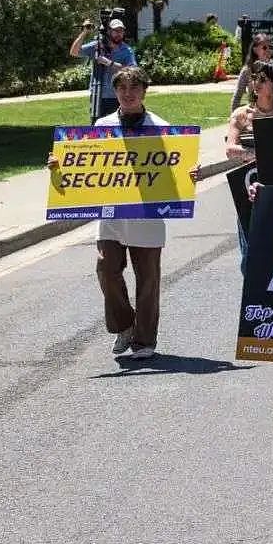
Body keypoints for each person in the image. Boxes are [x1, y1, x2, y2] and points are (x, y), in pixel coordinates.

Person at [48, 68, 198, 360]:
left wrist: (191, 173)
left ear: (144, 91)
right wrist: (59, 163)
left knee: (148, 280)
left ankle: (144, 341)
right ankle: (124, 325)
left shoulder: (162, 128)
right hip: (112, 216)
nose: (128, 93)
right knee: (105, 268)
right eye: (122, 88)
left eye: (134, 87)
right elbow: (83, 165)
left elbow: (178, 168)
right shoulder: (102, 126)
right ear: (115, 92)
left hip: (147, 216)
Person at [224, 60, 273, 275]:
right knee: (250, 254)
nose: (255, 83)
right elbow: (230, 148)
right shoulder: (241, 115)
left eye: (262, 79)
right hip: (248, 191)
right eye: (254, 77)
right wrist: (257, 156)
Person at [71, 16, 138, 124]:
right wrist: (84, 33)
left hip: (117, 95)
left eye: (121, 31)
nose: (118, 33)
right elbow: (74, 52)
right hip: (98, 94)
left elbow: (133, 70)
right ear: (109, 31)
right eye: (115, 31)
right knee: (97, 125)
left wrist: (109, 63)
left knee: (117, 125)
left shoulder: (126, 50)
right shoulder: (97, 46)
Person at [230, 33, 273, 113]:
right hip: (255, 114)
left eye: (270, 47)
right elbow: (237, 96)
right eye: (264, 47)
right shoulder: (247, 71)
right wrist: (234, 116)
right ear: (255, 50)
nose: (268, 50)